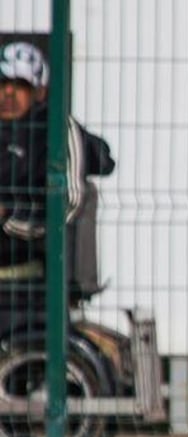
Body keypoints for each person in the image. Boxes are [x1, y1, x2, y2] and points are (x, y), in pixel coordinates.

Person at [0, 39, 114, 334]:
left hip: (27, 263)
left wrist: (10, 217)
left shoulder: (56, 130)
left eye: (19, 85)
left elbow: (69, 203)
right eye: (3, 84)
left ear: (39, 91)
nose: (8, 93)